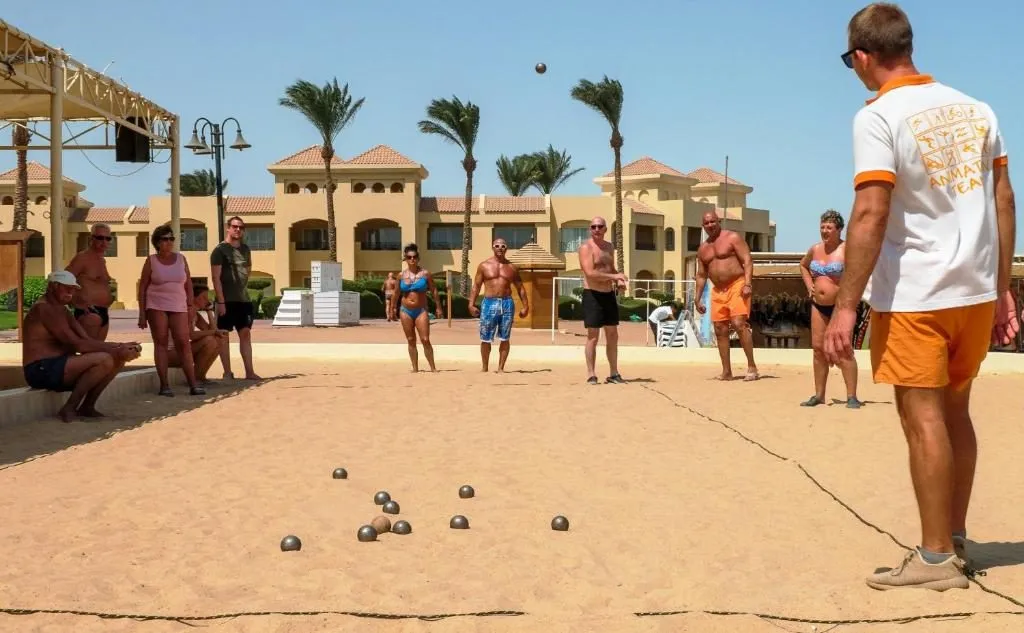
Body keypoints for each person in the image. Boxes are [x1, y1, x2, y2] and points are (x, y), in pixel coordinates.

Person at [825, 3, 1018, 591]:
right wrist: (1003, 288)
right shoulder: (977, 108)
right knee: (957, 412)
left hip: (917, 294)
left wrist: (846, 306)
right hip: (974, 291)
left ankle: (935, 559)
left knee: (921, 418)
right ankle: (953, 536)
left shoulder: (878, 116)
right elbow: (1003, 199)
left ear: (863, 57)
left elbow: (870, 211)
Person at [22, 270, 141, 423]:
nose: (71, 293)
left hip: (58, 367)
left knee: (117, 358)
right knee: (104, 359)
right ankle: (69, 408)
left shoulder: (61, 309)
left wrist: (121, 348)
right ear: (53, 286)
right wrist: (118, 347)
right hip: (40, 370)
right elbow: (77, 345)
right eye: (67, 288)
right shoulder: (44, 309)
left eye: (73, 289)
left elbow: (85, 339)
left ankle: (87, 407)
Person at [799, 210, 862, 408]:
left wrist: (848, 300)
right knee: (818, 349)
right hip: (818, 306)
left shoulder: (847, 249)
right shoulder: (815, 249)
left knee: (843, 349)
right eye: (822, 227)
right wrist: (809, 285)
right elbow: (803, 266)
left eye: (829, 227)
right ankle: (819, 395)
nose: (825, 231)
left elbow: (857, 274)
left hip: (839, 307)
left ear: (839, 229)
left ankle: (851, 396)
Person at [138, 225, 205, 397]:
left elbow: (188, 283)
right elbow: (143, 287)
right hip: (156, 304)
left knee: (183, 342)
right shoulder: (151, 261)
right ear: (157, 242)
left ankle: (193, 384)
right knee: (160, 343)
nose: (169, 242)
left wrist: (190, 305)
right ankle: (164, 385)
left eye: (171, 239)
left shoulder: (181, 259)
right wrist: (142, 313)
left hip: (178, 305)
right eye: (165, 239)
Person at [694, 212, 759, 381]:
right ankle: (727, 371)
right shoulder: (703, 249)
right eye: (707, 223)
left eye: (712, 221)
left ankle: (752, 367)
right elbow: (701, 275)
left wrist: (747, 283)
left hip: (737, 284)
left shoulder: (732, 237)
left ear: (719, 221)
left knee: (738, 323)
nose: (710, 225)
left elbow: (747, 260)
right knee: (720, 329)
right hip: (718, 289)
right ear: (703, 226)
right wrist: (697, 298)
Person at [578, 216, 628, 384]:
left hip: (608, 294)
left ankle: (614, 373)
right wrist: (614, 276)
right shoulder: (586, 248)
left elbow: (610, 268)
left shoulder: (609, 247)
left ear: (605, 229)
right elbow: (590, 273)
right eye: (593, 227)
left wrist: (618, 281)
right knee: (593, 335)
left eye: (600, 226)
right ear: (590, 229)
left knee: (612, 334)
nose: (597, 229)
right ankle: (591, 374)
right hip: (592, 294)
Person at [468, 238, 529, 372]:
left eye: (503, 246)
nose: (500, 248)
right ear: (493, 248)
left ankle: (501, 368)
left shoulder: (512, 267)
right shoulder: (484, 266)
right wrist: (471, 304)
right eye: (497, 246)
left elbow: (520, 288)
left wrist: (526, 306)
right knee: (485, 338)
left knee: (505, 337)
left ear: (506, 248)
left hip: (507, 303)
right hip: (489, 303)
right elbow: (476, 286)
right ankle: (485, 368)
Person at [211, 215, 259, 380]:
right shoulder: (219, 250)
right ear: (228, 228)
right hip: (225, 301)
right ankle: (227, 372)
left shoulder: (246, 249)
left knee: (245, 333)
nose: (238, 229)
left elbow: (248, 270)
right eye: (235, 226)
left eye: (241, 227)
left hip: (243, 300)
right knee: (224, 336)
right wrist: (221, 301)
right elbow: (215, 277)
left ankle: (250, 372)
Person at [389, 243, 442, 372]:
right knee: (411, 339)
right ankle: (415, 368)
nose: (412, 259)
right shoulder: (401, 275)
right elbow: (396, 293)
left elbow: (434, 290)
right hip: (405, 310)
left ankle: (433, 367)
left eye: (414, 257)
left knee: (425, 339)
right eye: (409, 257)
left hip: (421, 310)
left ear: (418, 258)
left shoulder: (425, 274)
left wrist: (438, 307)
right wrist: (392, 308)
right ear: (405, 259)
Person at [168, 286, 230, 384]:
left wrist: (209, 311)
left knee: (220, 339)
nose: (207, 300)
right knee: (209, 340)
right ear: (194, 298)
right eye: (204, 297)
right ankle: (195, 378)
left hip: (183, 351)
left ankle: (201, 376)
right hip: (171, 354)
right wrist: (214, 332)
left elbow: (212, 330)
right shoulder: (185, 312)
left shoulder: (195, 314)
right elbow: (191, 335)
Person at [66, 222, 115, 341]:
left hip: (103, 311)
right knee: (88, 349)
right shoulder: (82, 258)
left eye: (108, 238)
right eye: (100, 238)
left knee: (98, 350)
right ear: (91, 238)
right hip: (88, 313)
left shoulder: (101, 260)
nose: (104, 242)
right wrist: (75, 301)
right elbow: (63, 281)